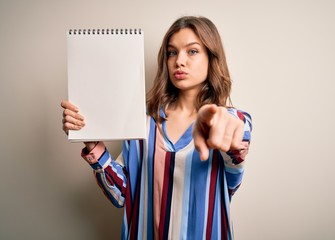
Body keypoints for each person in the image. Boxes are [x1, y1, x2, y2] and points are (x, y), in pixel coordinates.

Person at [61, 16, 252, 240]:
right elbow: (122, 195)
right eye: (172, 52)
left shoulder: (228, 119)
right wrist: (91, 142)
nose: (179, 61)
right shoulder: (142, 120)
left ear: (212, 57)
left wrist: (219, 122)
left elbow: (237, 137)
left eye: (192, 51)